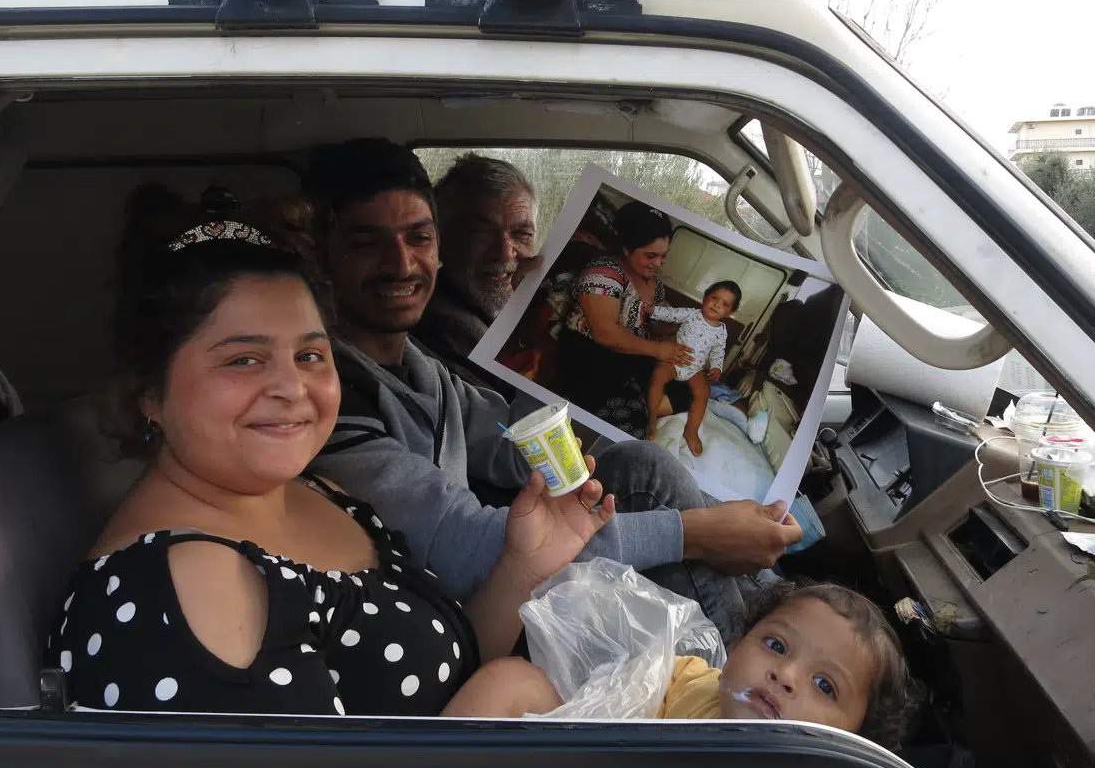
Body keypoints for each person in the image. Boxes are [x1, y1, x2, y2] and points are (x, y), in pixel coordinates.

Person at [45, 186, 614, 715]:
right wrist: (498, 701)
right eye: (243, 359)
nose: (292, 388)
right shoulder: (181, 589)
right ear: (151, 390)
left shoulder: (319, 491)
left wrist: (523, 567)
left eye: (311, 356)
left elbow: (432, 679)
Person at [299, 139, 802, 641]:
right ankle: (755, 667)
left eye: (418, 238)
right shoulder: (324, 405)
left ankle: (773, 606)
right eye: (367, 243)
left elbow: (515, 441)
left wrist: (535, 327)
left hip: (514, 547)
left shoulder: (420, 369)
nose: (402, 264)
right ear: (323, 255)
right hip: (470, 613)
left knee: (648, 466)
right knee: (679, 510)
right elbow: (470, 548)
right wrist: (698, 534)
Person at [456, 581, 919, 747]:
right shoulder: (686, 680)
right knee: (510, 680)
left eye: (825, 684)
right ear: (735, 645)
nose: (786, 675)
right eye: (776, 646)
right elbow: (606, 720)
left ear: (854, 742)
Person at [557, 200, 696, 438]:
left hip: (632, 354)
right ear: (626, 249)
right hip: (592, 356)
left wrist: (676, 327)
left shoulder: (653, 282)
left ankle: (645, 403)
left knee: (690, 390)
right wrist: (659, 350)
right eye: (650, 255)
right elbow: (605, 332)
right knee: (628, 421)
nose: (658, 263)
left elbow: (658, 317)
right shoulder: (602, 274)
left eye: (663, 256)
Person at [413, 154, 542, 396]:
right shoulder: (440, 326)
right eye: (480, 233)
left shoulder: (520, 309)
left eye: (522, 234)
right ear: (442, 239)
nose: (505, 253)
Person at [644, 280, 742, 456]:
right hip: (674, 360)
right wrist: (653, 310)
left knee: (703, 392)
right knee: (657, 376)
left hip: (695, 369)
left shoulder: (722, 331)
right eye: (714, 298)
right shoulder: (691, 314)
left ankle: (691, 431)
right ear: (705, 298)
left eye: (725, 304)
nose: (717, 305)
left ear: (730, 312)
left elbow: (718, 352)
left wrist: (717, 368)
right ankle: (652, 418)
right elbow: (671, 314)